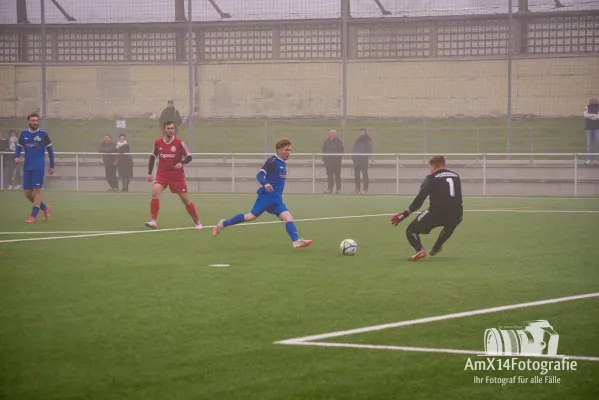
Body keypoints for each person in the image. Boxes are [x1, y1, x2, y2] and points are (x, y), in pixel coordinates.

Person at [212, 138, 312, 249]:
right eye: (286, 150)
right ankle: (223, 224)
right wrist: (265, 183)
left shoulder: (282, 163)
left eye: (290, 150)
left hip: (276, 200)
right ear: (279, 150)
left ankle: (296, 241)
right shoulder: (272, 162)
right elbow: (259, 175)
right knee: (250, 216)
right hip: (266, 197)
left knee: (288, 217)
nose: (289, 153)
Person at [391, 155, 463, 261]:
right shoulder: (456, 176)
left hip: (436, 213)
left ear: (434, 166)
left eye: (430, 167)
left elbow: (418, 201)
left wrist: (403, 215)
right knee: (450, 225)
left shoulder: (431, 178)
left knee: (411, 231)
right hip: (457, 214)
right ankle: (436, 247)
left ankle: (419, 250)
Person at [145, 120, 201, 229]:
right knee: (155, 191)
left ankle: (197, 221)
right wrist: (149, 173)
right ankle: (153, 221)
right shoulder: (158, 142)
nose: (171, 130)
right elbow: (152, 157)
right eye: (169, 128)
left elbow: (189, 157)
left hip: (177, 176)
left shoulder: (179, 143)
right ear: (164, 129)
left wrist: (182, 163)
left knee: (185, 199)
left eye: (172, 128)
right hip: (162, 174)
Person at [14, 113, 54, 223]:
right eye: (33, 120)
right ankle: (45, 208)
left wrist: (52, 166)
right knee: (27, 193)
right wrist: (17, 156)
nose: (35, 122)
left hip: (39, 166)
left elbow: (50, 151)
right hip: (27, 166)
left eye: (37, 120)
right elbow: (18, 147)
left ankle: (33, 216)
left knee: (37, 191)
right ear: (28, 121)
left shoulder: (43, 134)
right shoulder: (24, 134)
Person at [322, 129, 344, 194]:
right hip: (328, 162)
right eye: (331, 133)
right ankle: (330, 189)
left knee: (337, 176)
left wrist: (338, 159)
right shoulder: (326, 141)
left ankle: (338, 189)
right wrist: (325, 159)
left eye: (333, 134)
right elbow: (324, 150)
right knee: (329, 176)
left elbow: (342, 151)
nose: (332, 135)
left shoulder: (339, 142)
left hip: (336, 162)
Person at [352, 128, 372, 194]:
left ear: (365, 132)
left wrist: (364, 156)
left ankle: (365, 189)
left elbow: (369, 151)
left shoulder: (367, 140)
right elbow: (355, 149)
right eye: (360, 132)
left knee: (364, 175)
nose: (361, 133)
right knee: (356, 176)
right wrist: (354, 157)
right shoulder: (357, 140)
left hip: (363, 161)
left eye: (362, 132)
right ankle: (357, 189)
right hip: (357, 160)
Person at [584, 96, 599, 164]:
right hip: (588, 128)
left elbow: (598, 117)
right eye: (591, 100)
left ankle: (598, 157)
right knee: (589, 144)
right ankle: (590, 158)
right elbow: (585, 115)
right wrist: (594, 115)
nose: (592, 101)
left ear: (597, 101)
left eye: (594, 100)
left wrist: (590, 116)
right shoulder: (586, 107)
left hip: (597, 128)